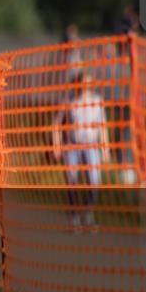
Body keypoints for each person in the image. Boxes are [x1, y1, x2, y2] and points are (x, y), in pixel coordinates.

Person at [51, 71, 111, 234]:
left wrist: (106, 149)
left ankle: (89, 215)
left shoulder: (98, 101)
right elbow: (56, 124)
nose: (86, 87)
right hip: (72, 146)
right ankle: (74, 218)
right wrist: (57, 146)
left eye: (89, 83)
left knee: (94, 181)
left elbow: (103, 126)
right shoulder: (69, 101)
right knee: (72, 182)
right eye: (83, 82)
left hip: (91, 145)